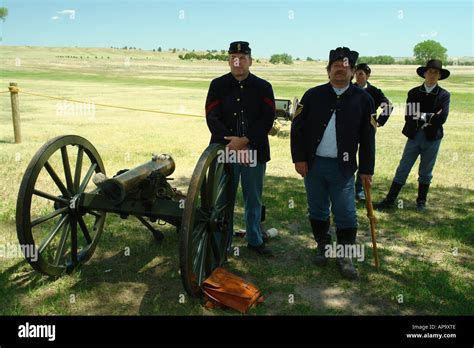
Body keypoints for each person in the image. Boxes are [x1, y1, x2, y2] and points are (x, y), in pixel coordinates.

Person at [291, 47, 376, 280]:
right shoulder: (312, 95)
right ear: (328, 71)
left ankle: (345, 255)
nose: (340, 70)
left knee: (346, 213)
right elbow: (297, 129)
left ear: (352, 72)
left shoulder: (363, 99)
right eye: (335, 66)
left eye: (345, 67)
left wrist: (367, 170)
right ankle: (322, 245)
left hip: (343, 168)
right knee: (317, 209)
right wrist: (299, 158)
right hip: (314, 165)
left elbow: (368, 138)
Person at [205, 41, 276, 256]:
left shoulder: (263, 87)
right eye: (233, 58)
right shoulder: (217, 85)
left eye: (242, 58)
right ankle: (222, 242)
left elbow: (267, 119)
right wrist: (232, 143)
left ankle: (254, 239)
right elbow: (211, 116)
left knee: (253, 198)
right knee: (223, 199)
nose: (238, 62)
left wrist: (245, 140)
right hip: (225, 150)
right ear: (229, 61)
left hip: (253, 151)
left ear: (250, 61)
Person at [374, 59, 451, 211]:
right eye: (429, 71)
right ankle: (390, 200)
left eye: (435, 72)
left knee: (426, 170)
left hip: (432, 138)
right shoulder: (414, 92)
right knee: (403, 167)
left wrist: (422, 115)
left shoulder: (443, 95)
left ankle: (421, 201)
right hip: (414, 135)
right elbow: (409, 116)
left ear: (439, 75)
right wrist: (430, 117)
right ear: (424, 73)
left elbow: (442, 118)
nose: (432, 75)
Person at [353, 63, 393, 200]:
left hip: (367, 130)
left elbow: (387, 106)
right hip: (350, 128)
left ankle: (359, 190)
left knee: (365, 158)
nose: (357, 77)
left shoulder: (374, 91)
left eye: (361, 74)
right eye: (356, 73)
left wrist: (379, 122)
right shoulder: (349, 88)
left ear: (368, 75)